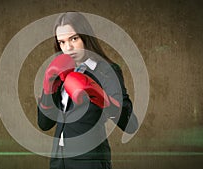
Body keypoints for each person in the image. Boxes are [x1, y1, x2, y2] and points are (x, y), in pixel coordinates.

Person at [37, 11, 136, 169]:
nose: (68, 48)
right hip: (58, 159)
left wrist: (101, 97)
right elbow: (44, 123)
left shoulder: (106, 70)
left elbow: (130, 124)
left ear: (86, 37)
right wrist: (49, 87)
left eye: (73, 39)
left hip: (90, 160)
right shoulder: (59, 72)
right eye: (61, 42)